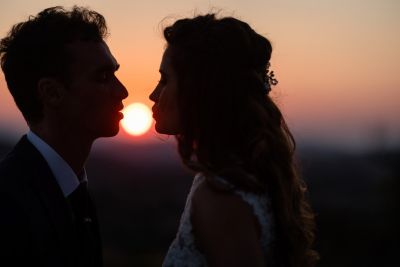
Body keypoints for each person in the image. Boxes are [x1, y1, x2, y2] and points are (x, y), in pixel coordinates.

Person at [150, 13, 319, 267]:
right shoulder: (242, 176)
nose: (154, 95)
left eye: (165, 79)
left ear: (199, 91)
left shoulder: (219, 196)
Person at [0, 6, 128, 267]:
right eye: (103, 77)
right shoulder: (7, 203)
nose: (122, 91)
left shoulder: (76, 192)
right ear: (52, 93)